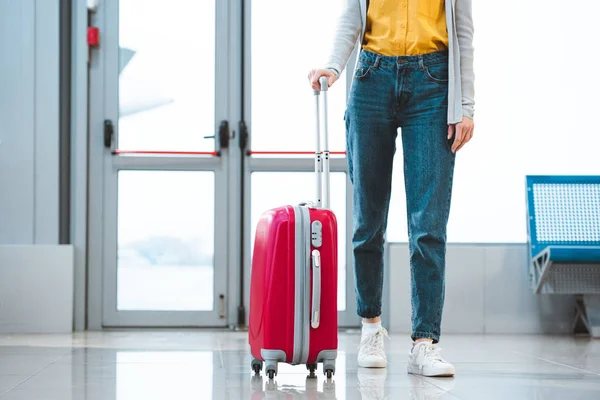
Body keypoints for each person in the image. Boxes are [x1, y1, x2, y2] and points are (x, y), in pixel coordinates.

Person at [308, 0, 475, 377]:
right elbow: (352, 15)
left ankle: (424, 343)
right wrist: (334, 65)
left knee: (428, 226)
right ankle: (370, 326)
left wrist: (466, 105)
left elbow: (463, 32)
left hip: (433, 82)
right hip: (372, 78)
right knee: (368, 220)